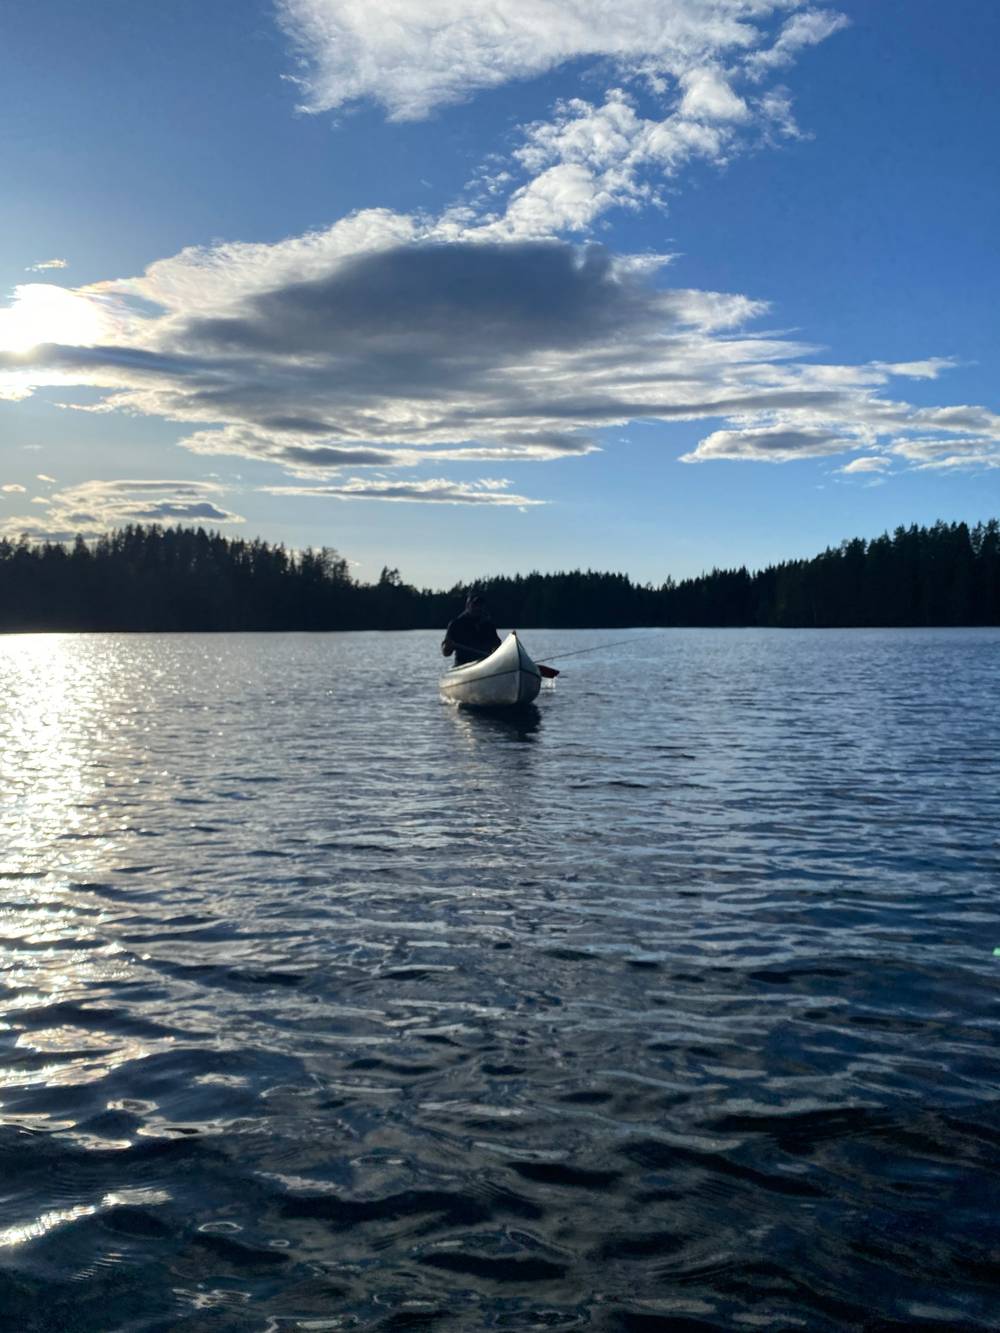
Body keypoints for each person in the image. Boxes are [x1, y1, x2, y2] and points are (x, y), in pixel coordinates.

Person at [441, 593, 502, 665]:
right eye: (474, 605)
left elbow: (497, 646)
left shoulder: (489, 625)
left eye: (480, 605)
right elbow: (446, 653)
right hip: (463, 665)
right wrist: (447, 647)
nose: (478, 608)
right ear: (467, 606)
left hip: (485, 663)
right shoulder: (456, 624)